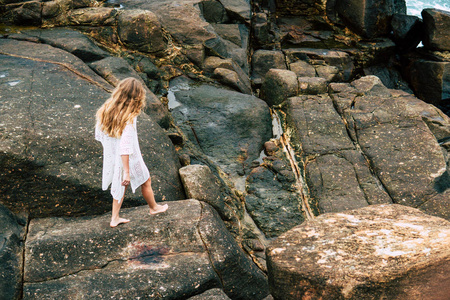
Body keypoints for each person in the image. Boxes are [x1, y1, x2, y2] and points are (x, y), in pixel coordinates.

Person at [95, 77, 168, 228]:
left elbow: (100, 134)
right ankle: (154, 208)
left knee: (122, 185)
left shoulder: (107, 108)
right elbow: (125, 146)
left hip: (116, 155)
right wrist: (127, 171)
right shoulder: (130, 116)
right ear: (137, 97)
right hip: (128, 157)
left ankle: (116, 217)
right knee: (144, 181)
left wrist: (112, 147)